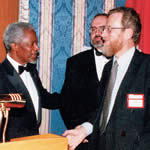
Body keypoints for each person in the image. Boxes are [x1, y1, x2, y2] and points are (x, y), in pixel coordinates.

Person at [63, 7, 150, 150]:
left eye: (109, 29)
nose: (102, 34)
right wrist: (83, 130)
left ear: (128, 33)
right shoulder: (109, 69)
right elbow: (102, 111)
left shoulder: (146, 67)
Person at [0, 22, 61, 141]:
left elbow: (43, 98)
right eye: (32, 44)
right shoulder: (1, 74)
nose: (37, 48)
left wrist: (74, 96)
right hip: (11, 146)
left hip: (33, 142)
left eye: (36, 43)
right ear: (14, 46)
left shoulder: (32, 70)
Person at [60, 13, 110, 150]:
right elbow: (66, 103)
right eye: (93, 29)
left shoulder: (122, 61)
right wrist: (80, 131)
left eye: (102, 28)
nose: (97, 33)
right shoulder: (75, 62)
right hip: (84, 142)